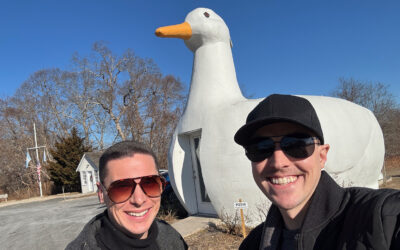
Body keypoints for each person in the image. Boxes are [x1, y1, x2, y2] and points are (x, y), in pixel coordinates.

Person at [234, 94, 400, 250]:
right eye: (260, 148)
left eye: (296, 145)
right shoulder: (252, 244)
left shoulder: (382, 218)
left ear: (322, 156)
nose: (278, 162)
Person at [66, 140, 188, 250]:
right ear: (101, 193)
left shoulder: (172, 238)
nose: (139, 200)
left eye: (150, 183)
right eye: (121, 188)